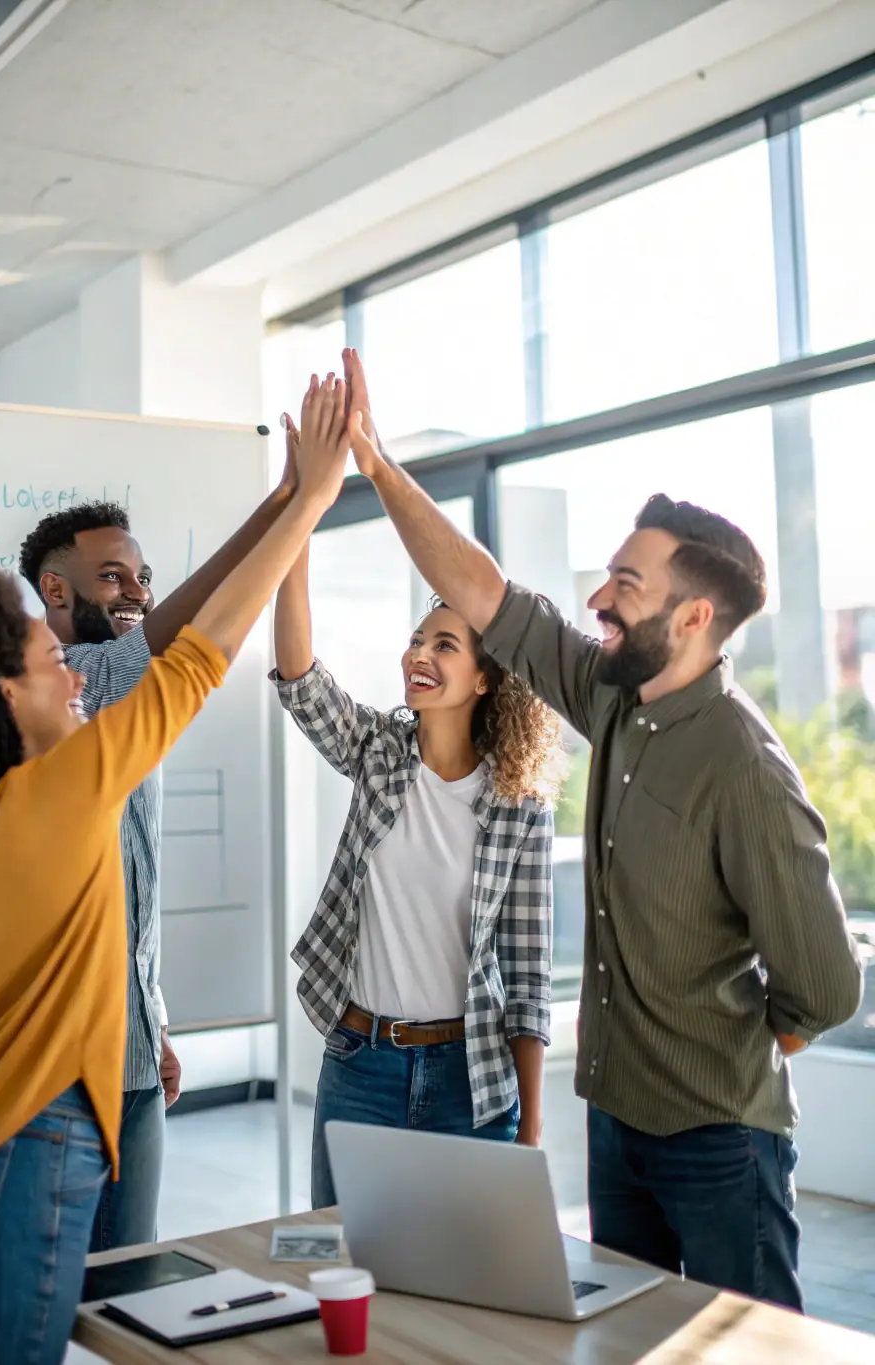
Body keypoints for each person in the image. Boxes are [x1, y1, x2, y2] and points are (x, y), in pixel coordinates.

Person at [338, 347, 863, 1308]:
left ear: (696, 615)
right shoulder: (614, 700)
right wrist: (374, 462)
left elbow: (826, 985)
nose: (598, 598)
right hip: (617, 1126)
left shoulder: (748, 770)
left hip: (720, 1138)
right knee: (630, 1336)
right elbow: (491, 594)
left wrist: (733, 1046)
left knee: (752, 1348)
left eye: (626, 582)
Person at [0, 380, 351, 1365]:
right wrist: (307, 502)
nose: (68, 672)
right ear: (8, 695)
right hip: (24, 1161)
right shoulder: (65, 786)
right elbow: (198, 656)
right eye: (48, 659)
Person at [274, 378, 563, 1211]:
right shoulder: (378, 752)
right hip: (359, 1062)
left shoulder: (518, 804)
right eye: (415, 639)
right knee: (344, 1263)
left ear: (484, 679)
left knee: (460, 1292)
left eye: (444, 642)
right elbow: (298, 676)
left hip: (468, 1078)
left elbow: (529, 976)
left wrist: (531, 1131)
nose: (419, 653)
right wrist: (300, 512)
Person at [17, 447, 297, 1251]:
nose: (139, 591)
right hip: (70, 1076)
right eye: (115, 576)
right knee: (79, 1293)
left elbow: (123, 894)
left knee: (126, 1277)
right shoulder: (78, 682)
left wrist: (154, 1021)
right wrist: (287, 504)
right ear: (57, 592)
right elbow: (197, 629)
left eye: (143, 575)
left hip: (134, 1052)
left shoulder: (117, 694)